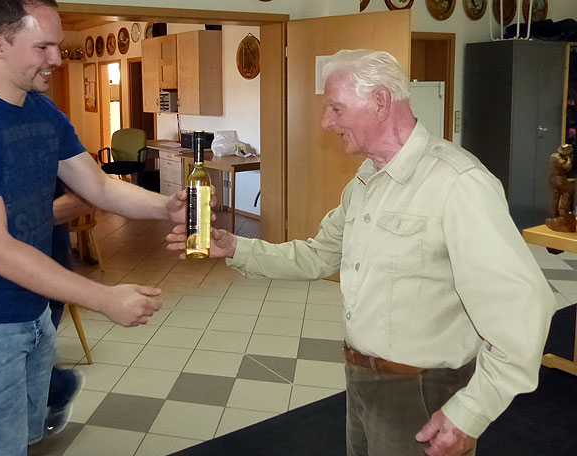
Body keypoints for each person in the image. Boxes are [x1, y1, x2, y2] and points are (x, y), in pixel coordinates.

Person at [167, 49, 556, 456]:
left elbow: (524, 308)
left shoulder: (458, 183)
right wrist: (236, 248)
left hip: (423, 391)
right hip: (360, 380)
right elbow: (318, 255)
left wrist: (472, 410)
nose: (325, 121)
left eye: (336, 107)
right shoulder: (366, 181)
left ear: (381, 102)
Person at [0, 0, 185, 455]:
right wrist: (103, 298)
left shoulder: (43, 111)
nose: (57, 59)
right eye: (43, 46)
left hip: (34, 312)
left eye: (57, 46)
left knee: (24, 443)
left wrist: (165, 206)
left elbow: (97, 185)